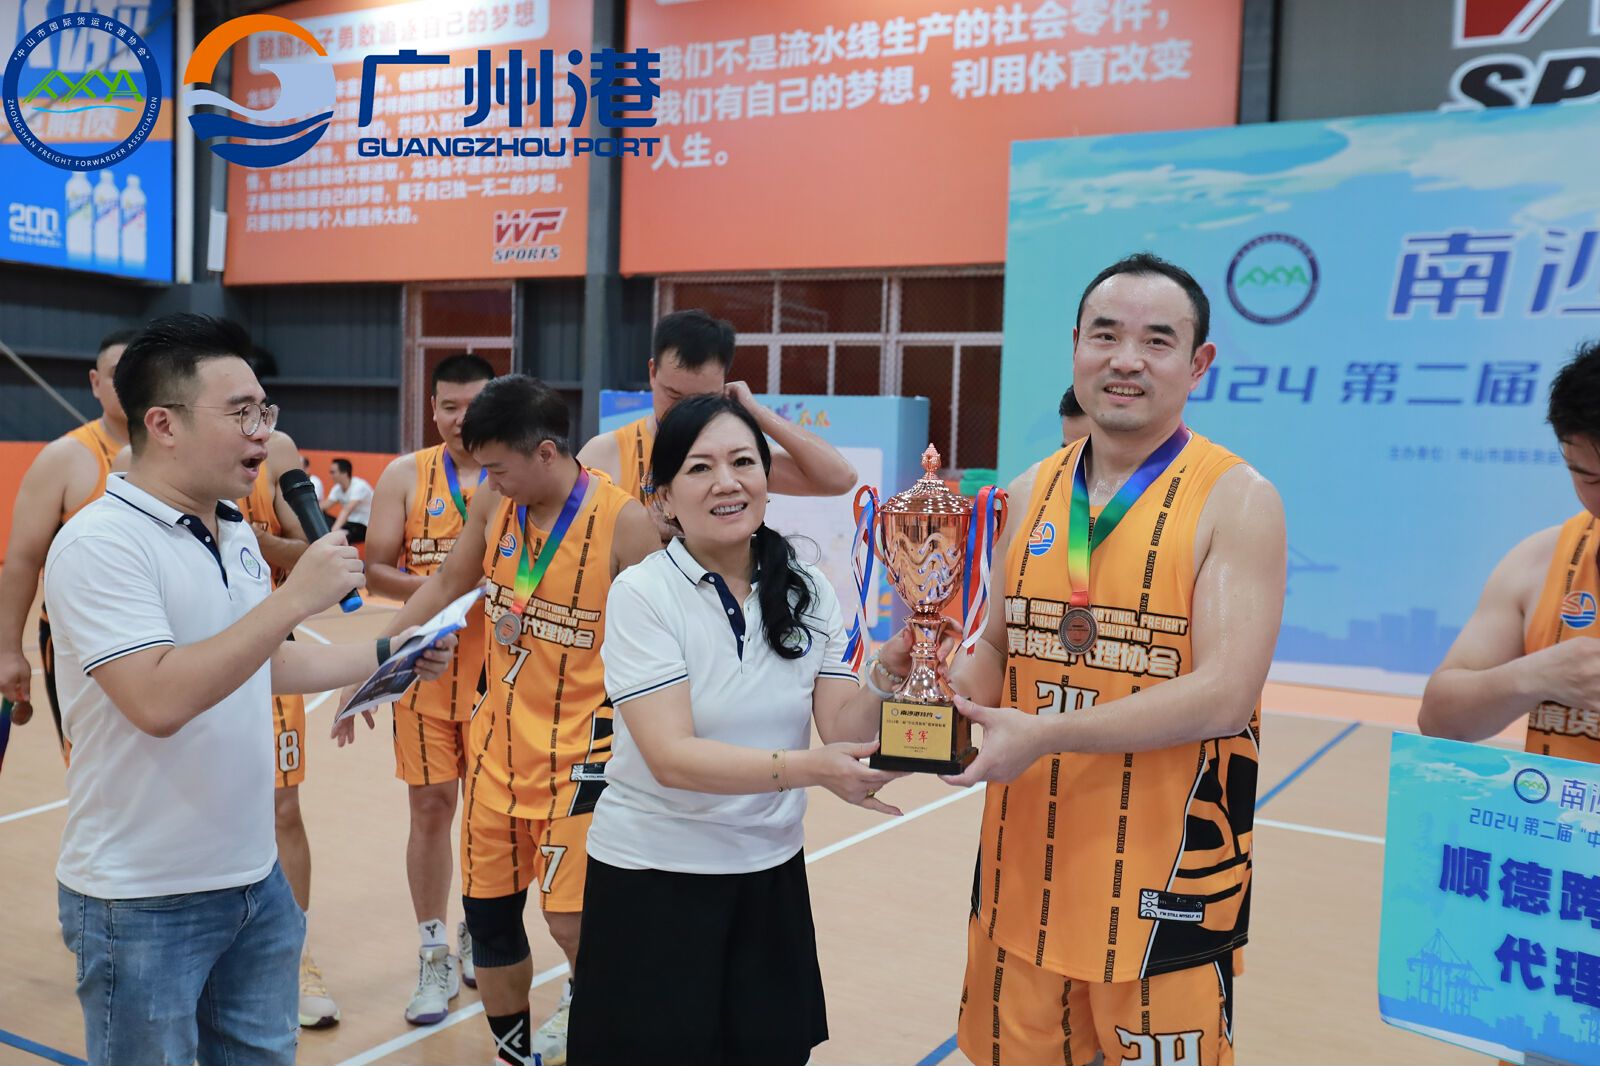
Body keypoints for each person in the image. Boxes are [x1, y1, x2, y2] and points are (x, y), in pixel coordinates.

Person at [43, 313, 455, 1066]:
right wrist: (295, 598)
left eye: (265, 410)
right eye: (240, 414)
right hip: (141, 898)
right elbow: (157, 701)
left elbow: (265, 663)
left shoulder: (230, 529)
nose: (263, 434)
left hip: (255, 882)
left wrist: (387, 653)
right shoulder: (101, 543)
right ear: (163, 424)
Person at [944, 254, 1286, 1066]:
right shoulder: (1026, 491)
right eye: (1105, 335)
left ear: (1198, 363)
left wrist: (1045, 735)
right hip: (1022, 876)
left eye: (1156, 341)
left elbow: (1224, 695)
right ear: (1075, 346)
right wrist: (930, 688)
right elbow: (999, 646)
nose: (1126, 359)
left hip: (1165, 896)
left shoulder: (1237, 499)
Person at [566, 394, 908, 1066]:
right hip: (654, 880)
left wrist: (888, 676)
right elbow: (671, 757)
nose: (727, 481)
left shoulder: (809, 587)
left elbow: (841, 723)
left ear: (766, 480)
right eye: (700, 468)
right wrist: (812, 770)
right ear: (664, 498)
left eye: (743, 462)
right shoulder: (642, 594)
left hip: (769, 874)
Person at [338, 374, 659, 1066]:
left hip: (587, 759)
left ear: (545, 452)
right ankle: (514, 1054)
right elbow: (445, 582)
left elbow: (672, 642)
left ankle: (601, 1030)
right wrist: (374, 663)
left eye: (499, 467)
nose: (490, 481)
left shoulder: (626, 522)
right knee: (488, 920)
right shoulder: (494, 500)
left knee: (571, 921)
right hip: (498, 751)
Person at [364, 353, 496, 1024]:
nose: (460, 418)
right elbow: (375, 569)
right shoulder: (403, 475)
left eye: (473, 405)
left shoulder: (515, 476)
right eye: (448, 406)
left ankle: (479, 927)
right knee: (430, 809)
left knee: (489, 816)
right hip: (425, 670)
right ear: (432, 406)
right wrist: (445, 592)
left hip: (499, 676)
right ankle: (433, 950)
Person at [1419, 340, 1600, 766]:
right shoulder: (1541, 561)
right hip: (1562, 808)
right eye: (1588, 479)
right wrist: (1539, 675)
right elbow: (1439, 720)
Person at [233, 427, 342, 1030]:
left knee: (282, 808)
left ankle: (293, 954)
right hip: (188, 652)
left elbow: (310, 553)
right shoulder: (145, 461)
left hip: (273, 654)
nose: (252, 415)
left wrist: (258, 540)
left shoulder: (275, 451)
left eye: (257, 403)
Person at [576, 309, 857, 540]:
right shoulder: (606, 453)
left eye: (702, 399)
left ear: (723, 387)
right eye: (673, 395)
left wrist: (758, 414)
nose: (684, 411)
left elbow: (840, 478)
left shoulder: (736, 457)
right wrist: (638, 528)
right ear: (652, 372)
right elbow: (569, 540)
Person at [0, 327, 138, 752]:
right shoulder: (64, 458)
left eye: (141, 370)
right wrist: (8, 651)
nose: (130, 382)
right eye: (117, 373)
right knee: (95, 771)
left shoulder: (184, 454)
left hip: (163, 640)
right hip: (82, 645)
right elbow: (22, 561)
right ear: (95, 382)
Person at [327, 458, 374, 544]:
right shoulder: (337, 488)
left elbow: (347, 510)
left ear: (344, 473)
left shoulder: (359, 486)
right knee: (321, 516)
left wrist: (333, 531)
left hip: (364, 526)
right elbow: (324, 506)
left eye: (333, 472)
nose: (331, 475)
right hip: (349, 524)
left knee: (338, 537)